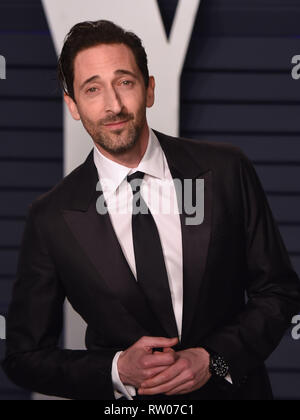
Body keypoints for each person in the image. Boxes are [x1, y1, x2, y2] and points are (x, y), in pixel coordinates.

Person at [3, 20, 300, 401]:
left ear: (149, 89)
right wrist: (115, 370)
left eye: (124, 82)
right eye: (92, 89)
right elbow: (24, 357)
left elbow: (278, 291)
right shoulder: (50, 218)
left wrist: (214, 360)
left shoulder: (227, 170)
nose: (113, 105)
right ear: (73, 106)